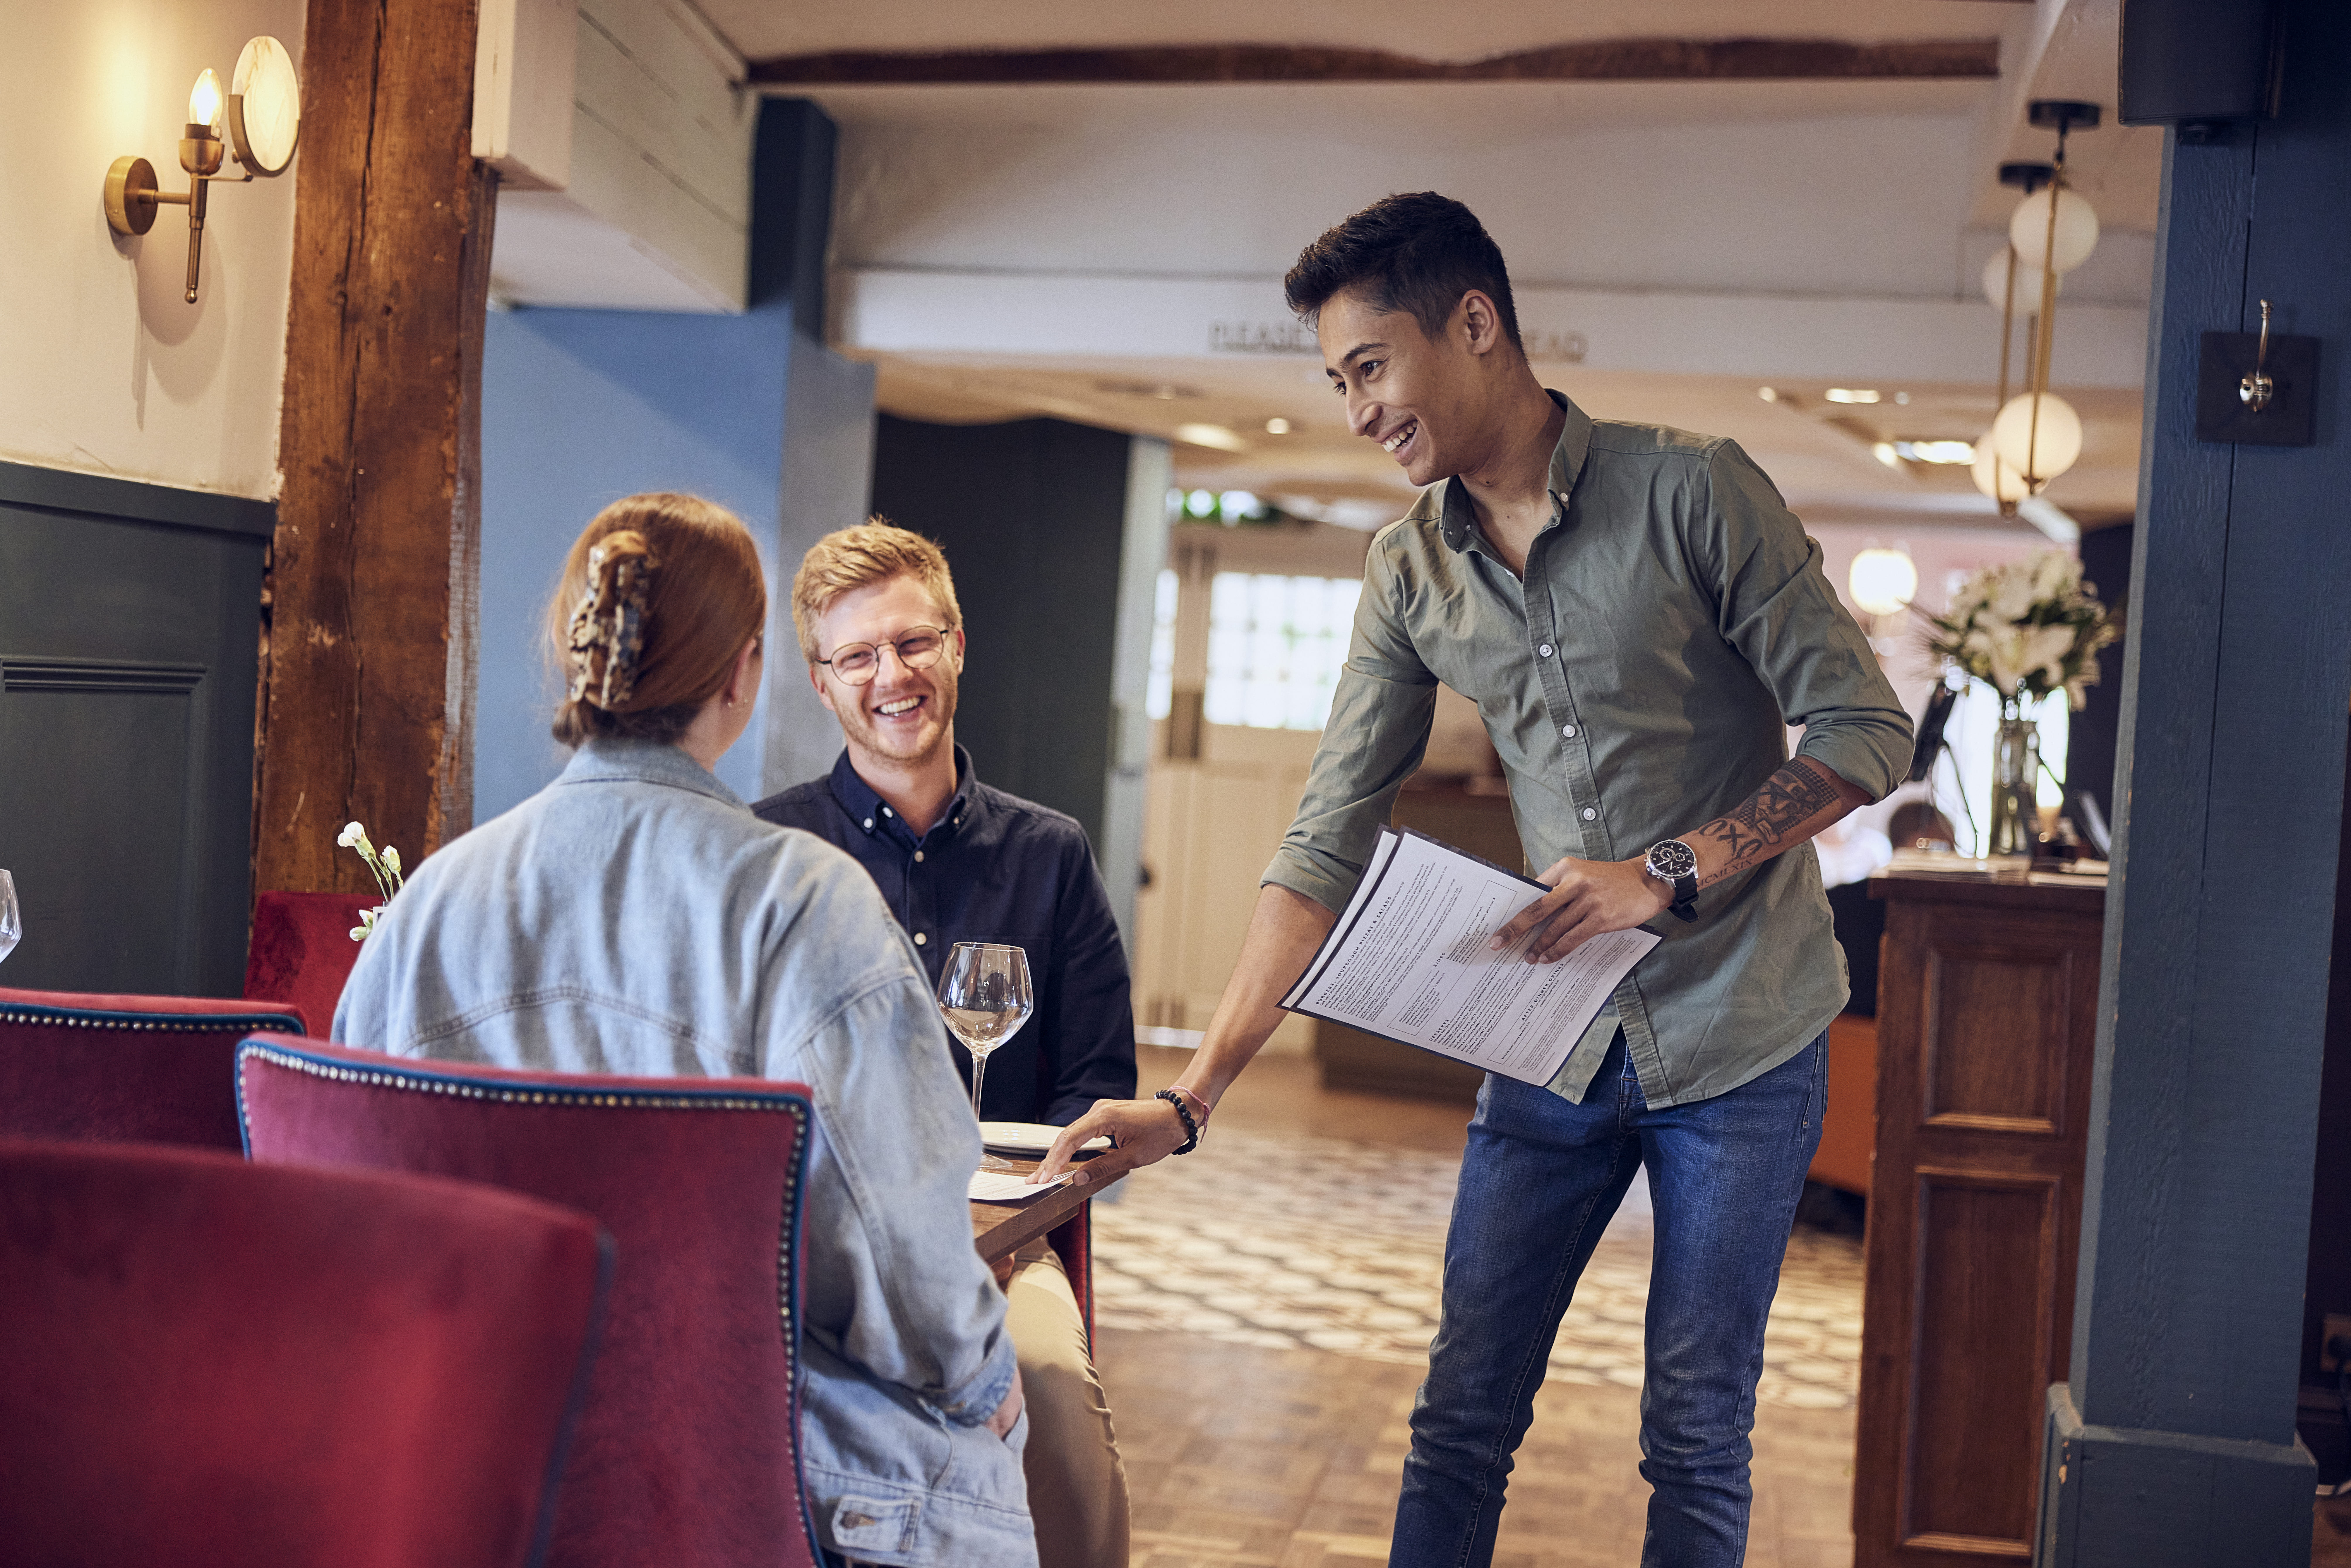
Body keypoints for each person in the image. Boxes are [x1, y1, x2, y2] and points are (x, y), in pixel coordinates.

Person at [1039, 194, 1915, 1567]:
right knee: (1458, 1417)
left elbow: (1867, 725)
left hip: (1745, 1037)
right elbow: (1327, 834)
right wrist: (1194, 1091)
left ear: (1475, 322)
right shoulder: (1408, 570)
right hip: (1548, 1042)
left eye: (1370, 366)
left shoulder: (1693, 488)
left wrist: (1669, 868)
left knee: (1694, 1432)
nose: (1355, 411)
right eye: (1336, 383)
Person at [336, 493, 1036, 1568]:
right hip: (749, 1480)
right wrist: (984, 1382)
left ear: (578, 652)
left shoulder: (429, 906)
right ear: (746, 675)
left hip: (478, 1456)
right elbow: (904, 1261)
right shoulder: (806, 902)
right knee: (1014, 1420)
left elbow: (349, 1201)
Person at [753, 520, 1134, 1568]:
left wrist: (1005, 1223)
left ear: (958, 646)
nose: (893, 677)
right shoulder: (768, 855)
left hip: (1003, 1247)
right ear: (822, 683)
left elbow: (1100, 1085)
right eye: (858, 657)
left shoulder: (1051, 857)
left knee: (1050, 1390)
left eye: (913, 644)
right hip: (816, 1255)